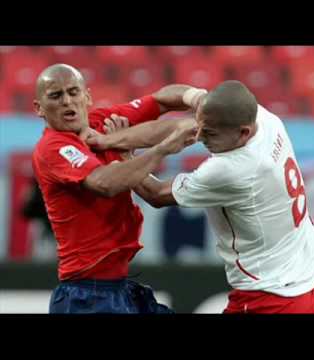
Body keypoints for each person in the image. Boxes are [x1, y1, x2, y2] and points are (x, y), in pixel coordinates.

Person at [87, 80, 314, 314]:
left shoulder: (233, 169)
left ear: (243, 133)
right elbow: (187, 103)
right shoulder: (264, 118)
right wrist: (190, 97)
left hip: (270, 296)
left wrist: (124, 155)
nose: (202, 138)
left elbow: (157, 194)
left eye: (211, 135)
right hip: (310, 278)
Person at [32, 63, 201, 313]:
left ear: (87, 95)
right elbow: (105, 183)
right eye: (56, 96)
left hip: (118, 288)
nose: (67, 101)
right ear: (39, 108)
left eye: (73, 92)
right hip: (86, 295)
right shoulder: (53, 148)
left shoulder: (103, 122)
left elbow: (160, 100)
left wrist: (199, 99)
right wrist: (164, 148)